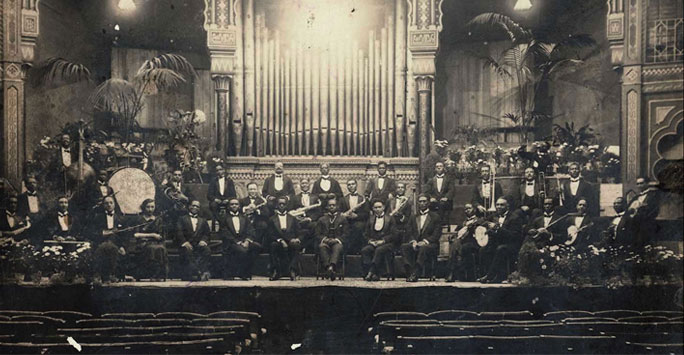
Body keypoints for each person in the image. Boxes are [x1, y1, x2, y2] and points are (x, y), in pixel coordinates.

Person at [477, 197, 524, 283]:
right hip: (498, 243)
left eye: (502, 205)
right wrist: (485, 228)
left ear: (507, 207)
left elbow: (514, 236)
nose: (498, 207)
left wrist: (497, 228)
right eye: (497, 204)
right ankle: (485, 274)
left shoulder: (515, 218)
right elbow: (484, 222)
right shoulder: (494, 216)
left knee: (500, 249)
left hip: (512, 245)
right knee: (483, 249)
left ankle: (491, 276)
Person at [401, 194, 441, 282]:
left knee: (423, 248)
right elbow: (409, 230)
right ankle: (409, 272)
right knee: (404, 247)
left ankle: (416, 273)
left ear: (428, 203)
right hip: (416, 242)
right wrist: (413, 241)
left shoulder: (435, 217)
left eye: (424, 201)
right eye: (420, 201)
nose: (422, 203)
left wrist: (425, 241)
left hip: (430, 244)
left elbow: (437, 234)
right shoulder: (413, 216)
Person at [86, 196, 126, 283]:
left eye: (111, 203)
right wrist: (102, 233)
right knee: (105, 248)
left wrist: (122, 246)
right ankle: (102, 275)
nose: (109, 205)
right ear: (103, 205)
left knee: (112, 248)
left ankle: (112, 274)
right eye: (106, 203)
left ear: (114, 204)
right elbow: (91, 233)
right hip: (101, 242)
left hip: (116, 243)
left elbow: (124, 235)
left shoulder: (120, 218)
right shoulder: (97, 217)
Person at [220, 198, 260, 280]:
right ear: (229, 206)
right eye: (232, 204)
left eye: (236, 204)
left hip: (244, 240)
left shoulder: (244, 217)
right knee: (242, 250)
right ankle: (242, 273)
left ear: (239, 206)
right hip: (231, 242)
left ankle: (247, 270)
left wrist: (247, 240)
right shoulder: (224, 218)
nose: (234, 206)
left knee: (257, 247)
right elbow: (224, 233)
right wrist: (238, 242)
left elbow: (251, 230)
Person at [129, 199, 168, 281]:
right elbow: (136, 234)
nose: (150, 209)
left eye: (152, 207)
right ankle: (152, 274)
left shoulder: (158, 219)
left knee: (161, 248)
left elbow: (160, 235)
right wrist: (152, 235)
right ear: (144, 207)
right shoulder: (139, 219)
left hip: (156, 243)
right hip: (143, 243)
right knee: (151, 248)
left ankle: (159, 275)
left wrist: (156, 237)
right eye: (148, 207)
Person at [446, 203, 485, 282]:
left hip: (474, 242)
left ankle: (452, 273)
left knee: (457, 245)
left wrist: (472, 228)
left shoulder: (479, 220)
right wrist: (453, 236)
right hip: (462, 243)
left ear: (474, 209)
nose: (467, 210)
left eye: (469, 208)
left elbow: (480, 233)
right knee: (456, 243)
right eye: (466, 209)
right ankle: (453, 272)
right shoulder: (463, 222)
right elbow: (457, 232)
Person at [175, 200, 212, 281]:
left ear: (199, 209)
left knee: (207, 250)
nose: (195, 207)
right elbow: (179, 232)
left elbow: (207, 234)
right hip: (186, 244)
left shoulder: (203, 220)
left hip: (198, 244)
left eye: (197, 206)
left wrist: (203, 241)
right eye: (193, 205)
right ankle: (194, 273)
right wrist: (184, 242)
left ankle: (200, 271)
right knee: (187, 251)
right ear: (189, 207)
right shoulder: (182, 219)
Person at [361, 199, 397, 281]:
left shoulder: (390, 218)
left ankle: (371, 272)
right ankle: (372, 273)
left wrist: (383, 241)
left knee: (379, 250)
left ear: (383, 207)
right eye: (375, 207)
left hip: (387, 244)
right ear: (373, 209)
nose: (377, 209)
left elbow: (394, 234)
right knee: (365, 250)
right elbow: (365, 234)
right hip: (374, 243)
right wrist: (370, 241)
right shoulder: (370, 219)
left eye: (379, 207)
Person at [268, 196, 302, 281]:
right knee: (273, 245)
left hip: (290, 240)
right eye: (280, 204)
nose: (282, 206)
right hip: (278, 240)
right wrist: (280, 240)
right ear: (277, 205)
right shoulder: (272, 219)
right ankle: (276, 271)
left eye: (284, 204)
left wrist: (297, 238)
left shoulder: (293, 218)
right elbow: (270, 234)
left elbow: (299, 232)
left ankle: (292, 270)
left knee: (296, 245)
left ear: (287, 205)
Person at [316, 198, 349, 280]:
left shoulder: (343, 219)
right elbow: (317, 234)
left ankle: (330, 267)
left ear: (337, 206)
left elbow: (346, 234)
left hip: (337, 242)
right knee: (321, 247)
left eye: (333, 205)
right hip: (326, 242)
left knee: (337, 247)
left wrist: (337, 239)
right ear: (327, 207)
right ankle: (329, 268)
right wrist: (325, 239)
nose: (331, 207)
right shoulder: (321, 219)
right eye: (330, 205)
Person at [626, 176, 662, 249]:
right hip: (634, 225)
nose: (639, 185)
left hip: (646, 225)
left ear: (647, 184)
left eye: (641, 183)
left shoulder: (653, 195)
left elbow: (654, 210)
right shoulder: (636, 197)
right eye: (637, 184)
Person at [289, 178, 322, 253]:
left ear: (309, 185)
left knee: (315, 226)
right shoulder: (295, 198)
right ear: (300, 185)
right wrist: (297, 218)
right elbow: (291, 210)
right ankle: (299, 247)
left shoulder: (315, 197)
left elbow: (319, 212)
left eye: (306, 183)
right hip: (298, 221)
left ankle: (309, 249)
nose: (304, 185)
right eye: (302, 183)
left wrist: (310, 218)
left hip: (310, 221)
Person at [339, 179, 369, 255]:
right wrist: (343, 215)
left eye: (353, 184)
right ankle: (345, 252)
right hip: (346, 221)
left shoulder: (363, 199)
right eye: (349, 185)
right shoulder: (342, 199)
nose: (351, 186)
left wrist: (357, 216)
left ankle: (356, 251)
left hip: (358, 221)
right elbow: (339, 211)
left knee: (358, 227)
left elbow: (366, 213)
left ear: (356, 185)